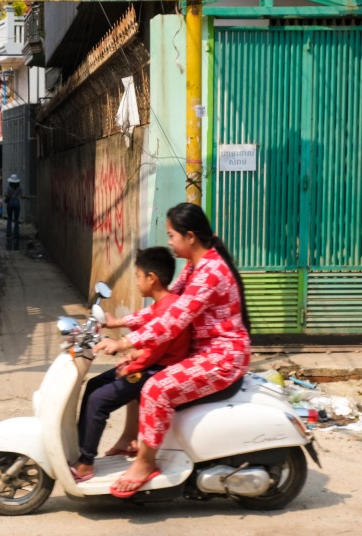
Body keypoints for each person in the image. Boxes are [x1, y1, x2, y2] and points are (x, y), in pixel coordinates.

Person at [95, 202, 251, 499]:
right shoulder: (194, 268)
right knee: (137, 373)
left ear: (190, 237)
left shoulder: (210, 273)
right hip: (202, 351)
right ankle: (132, 438)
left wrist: (125, 342)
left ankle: (145, 463)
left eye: (171, 235)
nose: (169, 242)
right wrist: (119, 322)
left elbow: (172, 321)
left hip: (223, 356)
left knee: (156, 388)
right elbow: (166, 305)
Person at [70, 247, 189, 483]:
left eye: (137, 276)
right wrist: (111, 325)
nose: (135, 281)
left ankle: (85, 464)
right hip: (151, 363)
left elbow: (157, 349)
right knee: (94, 384)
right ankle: (82, 448)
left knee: (99, 399)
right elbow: (143, 321)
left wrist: (130, 362)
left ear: (151, 278)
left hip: (160, 370)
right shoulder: (161, 303)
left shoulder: (169, 307)